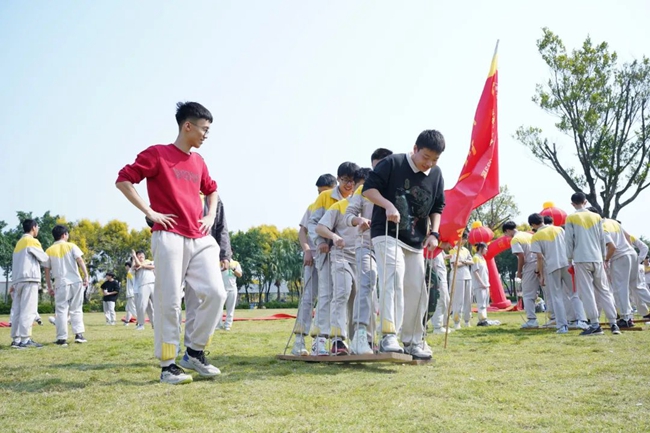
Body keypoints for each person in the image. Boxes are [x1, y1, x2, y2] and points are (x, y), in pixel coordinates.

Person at [116, 101, 226, 384]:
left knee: (216, 293)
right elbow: (124, 180)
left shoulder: (199, 162)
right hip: (169, 235)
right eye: (204, 129)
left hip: (199, 237)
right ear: (187, 126)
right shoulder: (158, 154)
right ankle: (168, 366)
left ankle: (194, 351)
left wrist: (211, 215)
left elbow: (212, 190)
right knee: (168, 302)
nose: (205, 135)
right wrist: (149, 212)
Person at [362, 129, 446, 360]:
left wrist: (434, 233)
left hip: (416, 240)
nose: (429, 163)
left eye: (435, 159)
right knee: (394, 277)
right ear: (415, 148)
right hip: (387, 232)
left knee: (416, 288)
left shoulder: (436, 174)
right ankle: (389, 334)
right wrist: (388, 205)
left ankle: (413, 340)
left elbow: (438, 206)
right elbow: (368, 189)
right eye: (426, 157)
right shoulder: (393, 163)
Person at [316, 168, 371, 355]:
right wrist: (334, 237)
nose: (362, 190)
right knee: (342, 293)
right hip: (341, 256)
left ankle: (359, 339)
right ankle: (338, 340)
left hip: (362, 258)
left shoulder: (372, 207)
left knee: (361, 299)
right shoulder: (340, 206)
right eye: (359, 186)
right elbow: (320, 227)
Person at [344, 148, 393, 354]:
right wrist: (358, 220)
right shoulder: (364, 189)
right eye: (375, 167)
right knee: (367, 282)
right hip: (366, 245)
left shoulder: (398, 187)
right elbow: (349, 214)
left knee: (393, 287)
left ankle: (391, 335)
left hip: (392, 246)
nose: (378, 171)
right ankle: (360, 334)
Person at [308, 162, 359, 355]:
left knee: (345, 296)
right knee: (326, 295)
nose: (348, 184)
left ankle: (341, 340)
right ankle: (319, 339)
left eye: (352, 181)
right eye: (345, 180)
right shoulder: (325, 197)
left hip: (348, 254)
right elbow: (314, 223)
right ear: (338, 179)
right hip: (327, 253)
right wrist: (321, 241)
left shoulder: (356, 200)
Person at [289, 174, 337, 356]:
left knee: (332, 298)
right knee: (308, 297)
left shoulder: (339, 205)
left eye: (324, 192)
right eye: (318, 192)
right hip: (314, 257)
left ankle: (325, 340)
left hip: (333, 258)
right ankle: (299, 340)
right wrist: (307, 249)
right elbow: (303, 231)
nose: (320, 196)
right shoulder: (313, 207)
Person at [565, 192, 620, 335]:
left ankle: (595, 324)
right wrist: (603, 257)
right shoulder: (596, 217)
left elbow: (569, 240)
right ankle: (614, 323)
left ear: (572, 204)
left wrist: (569, 259)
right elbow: (603, 239)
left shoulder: (571, 217)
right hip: (597, 258)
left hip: (581, 258)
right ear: (585, 201)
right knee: (604, 290)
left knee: (587, 292)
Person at [43, 224, 90, 345]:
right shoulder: (71, 246)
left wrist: (49, 287)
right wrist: (86, 275)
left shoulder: (49, 250)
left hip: (61, 283)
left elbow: (47, 270)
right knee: (76, 309)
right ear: (64, 235)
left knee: (61, 311)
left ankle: (62, 338)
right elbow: (80, 260)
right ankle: (79, 335)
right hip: (75, 281)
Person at [9, 219, 49, 349]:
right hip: (29, 278)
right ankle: (25, 339)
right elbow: (44, 258)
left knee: (17, 310)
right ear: (33, 227)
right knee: (28, 309)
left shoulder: (19, 243)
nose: (38, 230)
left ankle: (16, 339)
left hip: (17, 280)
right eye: (37, 227)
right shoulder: (31, 241)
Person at [503, 221, 539, 328]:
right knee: (548, 292)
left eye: (505, 234)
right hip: (540, 263)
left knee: (527, 294)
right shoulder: (528, 235)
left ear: (508, 231)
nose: (506, 236)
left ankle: (532, 320)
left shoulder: (515, 239)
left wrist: (519, 272)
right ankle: (553, 318)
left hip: (529, 266)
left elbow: (521, 256)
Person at [449, 232, 473, 329]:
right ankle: (456, 321)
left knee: (468, 300)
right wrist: (465, 262)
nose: (465, 240)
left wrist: (463, 262)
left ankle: (467, 320)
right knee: (458, 300)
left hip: (467, 276)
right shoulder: (453, 249)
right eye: (464, 238)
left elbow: (471, 261)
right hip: (458, 277)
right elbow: (455, 264)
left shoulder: (466, 250)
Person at [131, 250, 155, 331]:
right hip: (143, 286)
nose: (141, 257)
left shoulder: (149, 261)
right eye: (139, 256)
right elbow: (136, 266)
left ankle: (155, 324)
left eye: (142, 255)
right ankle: (141, 324)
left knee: (154, 307)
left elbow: (154, 266)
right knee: (142, 306)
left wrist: (143, 266)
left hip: (153, 284)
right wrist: (134, 257)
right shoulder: (134, 264)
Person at [218, 259, 242, 331]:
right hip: (221, 288)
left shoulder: (235, 263)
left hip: (232, 288)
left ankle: (227, 325)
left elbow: (240, 275)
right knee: (218, 308)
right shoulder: (218, 262)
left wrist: (233, 268)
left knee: (230, 309)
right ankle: (218, 325)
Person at [472, 242, 490, 326]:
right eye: (485, 248)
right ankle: (482, 320)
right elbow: (475, 272)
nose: (487, 250)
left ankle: (484, 319)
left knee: (485, 303)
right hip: (479, 285)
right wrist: (481, 283)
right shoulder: (475, 258)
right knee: (481, 303)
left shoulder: (482, 258)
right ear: (480, 248)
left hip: (486, 284)